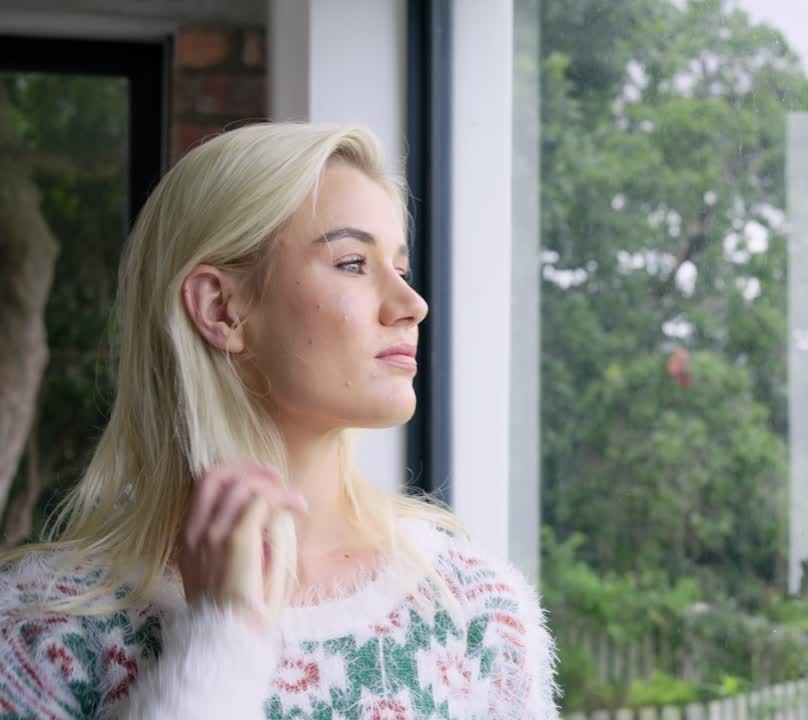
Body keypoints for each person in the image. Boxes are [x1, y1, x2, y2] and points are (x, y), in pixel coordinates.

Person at [0, 123, 558, 719]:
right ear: (221, 308)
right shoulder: (39, 633)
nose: (411, 305)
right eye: (351, 263)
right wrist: (219, 646)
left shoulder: (472, 613)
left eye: (400, 267)